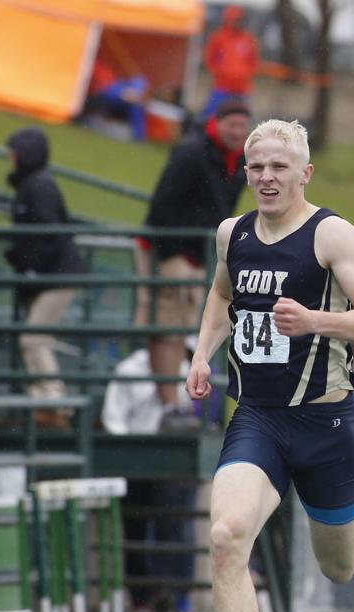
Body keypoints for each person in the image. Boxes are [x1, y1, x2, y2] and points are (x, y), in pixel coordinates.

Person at [184, 119, 354, 612]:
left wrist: (315, 321)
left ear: (304, 173)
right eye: (257, 168)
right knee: (226, 536)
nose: (267, 178)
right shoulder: (234, 233)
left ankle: (351, 521)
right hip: (257, 420)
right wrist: (202, 353)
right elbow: (222, 297)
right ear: (245, 172)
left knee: (338, 565)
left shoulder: (331, 234)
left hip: (327, 422)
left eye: (280, 167)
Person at [141, 100, 251, 427]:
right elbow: (163, 204)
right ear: (217, 124)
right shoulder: (191, 153)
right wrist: (171, 253)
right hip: (171, 250)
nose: (237, 132)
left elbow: (221, 210)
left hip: (198, 253)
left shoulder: (241, 162)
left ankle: (182, 404)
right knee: (167, 327)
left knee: (188, 326)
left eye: (243, 127)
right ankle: (168, 404)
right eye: (231, 124)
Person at [102, 339, 209, 612]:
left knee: (175, 528)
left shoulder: (187, 368)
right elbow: (114, 421)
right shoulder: (129, 370)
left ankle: (176, 597)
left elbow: (196, 416)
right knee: (136, 529)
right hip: (135, 461)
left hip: (174, 461)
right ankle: (143, 598)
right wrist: (136, 453)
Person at [4, 128, 86, 430]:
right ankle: (45, 403)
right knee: (39, 339)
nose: (9, 158)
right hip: (54, 272)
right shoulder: (33, 184)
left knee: (33, 338)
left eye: (13, 151)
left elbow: (48, 232)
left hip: (57, 274)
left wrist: (31, 266)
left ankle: (53, 403)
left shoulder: (37, 185)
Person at [201, 5, 260, 122]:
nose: (238, 23)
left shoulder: (248, 38)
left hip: (242, 88)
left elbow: (254, 61)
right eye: (235, 20)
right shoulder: (218, 37)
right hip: (222, 86)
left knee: (243, 119)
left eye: (240, 20)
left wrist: (244, 74)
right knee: (211, 116)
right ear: (228, 20)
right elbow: (209, 59)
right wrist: (222, 73)